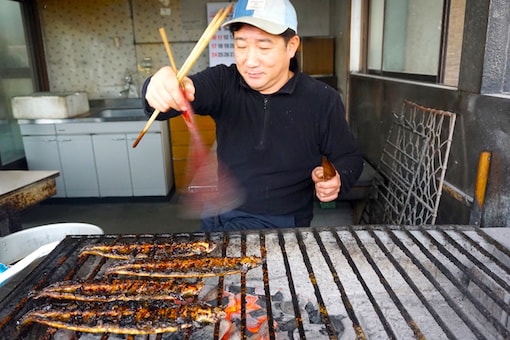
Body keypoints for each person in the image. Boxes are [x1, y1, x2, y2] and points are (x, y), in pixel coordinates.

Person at [142, 0, 363, 231]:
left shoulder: (322, 99)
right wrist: (160, 85)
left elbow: (350, 158)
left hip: (280, 223)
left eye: (264, 47)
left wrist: (338, 178)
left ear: (292, 46)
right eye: (241, 45)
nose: (250, 61)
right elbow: (181, 94)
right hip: (217, 212)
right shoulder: (224, 82)